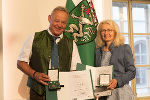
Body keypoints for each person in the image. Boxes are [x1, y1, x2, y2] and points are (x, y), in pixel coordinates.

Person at [17, 6, 81, 100]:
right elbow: (20, 63)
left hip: (62, 94)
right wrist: (35, 74)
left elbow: (75, 70)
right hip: (38, 94)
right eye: (57, 20)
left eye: (63, 22)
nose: (59, 25)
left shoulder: (72, 44)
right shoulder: (34, 38)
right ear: (49, 18)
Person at [94, 20, 136, 100]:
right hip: (103, 94)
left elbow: (132, 72)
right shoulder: (97, 51)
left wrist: (117, 81)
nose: (106, 33)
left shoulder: (124, 48)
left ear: (115, 32)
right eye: (103, 30)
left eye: (109, 30)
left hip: (121, 93)